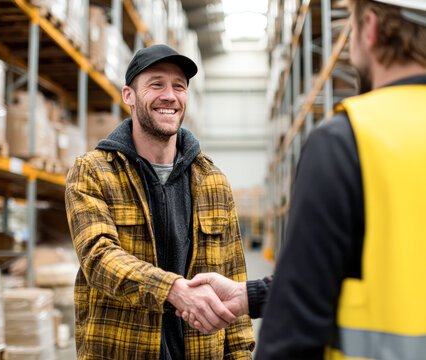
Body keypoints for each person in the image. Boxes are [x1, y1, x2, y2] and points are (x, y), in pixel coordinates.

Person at [179, 1, 426, 358]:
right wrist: (248, 295)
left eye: (351, 29)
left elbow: (298, 317)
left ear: (370, 27)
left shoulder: (350, 139)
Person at [65, 44, 255, 359]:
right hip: (122, 349)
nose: (170, 95)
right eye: (156, 84)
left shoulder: (213, 181)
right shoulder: (93, 171)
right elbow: (98, 258)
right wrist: (173, 290)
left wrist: (241, 354)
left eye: (178, 86)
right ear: (129, 95)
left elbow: (234, 277)